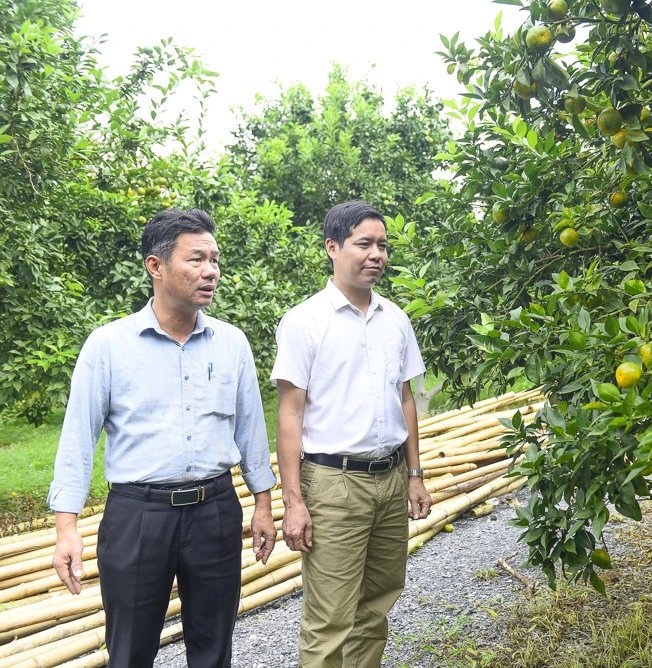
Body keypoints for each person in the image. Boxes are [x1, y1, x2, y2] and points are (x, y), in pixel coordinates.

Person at [48, 209, 277, 668]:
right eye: (196, 259)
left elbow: (251, 429)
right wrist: (66, 527)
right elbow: (78, 437)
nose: (211, 270)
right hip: (137, 516)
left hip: (215, 510)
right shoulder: (109, 345)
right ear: (156, 266)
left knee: (214, 647)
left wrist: (264, 506)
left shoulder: (232, 343)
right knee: (130, 650)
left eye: (215, 259)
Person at [270, 199, 432, 668]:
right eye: (364, 244)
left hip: (390, 476)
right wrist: (294, 501)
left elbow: (405, 399)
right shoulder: (305, 321)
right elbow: (290, 415)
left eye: (382, 245)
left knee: (377, 603)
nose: (376, 254)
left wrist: (415, 475)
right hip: (333, 483)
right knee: (330, 617)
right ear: (332, 247)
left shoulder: (396, 319)